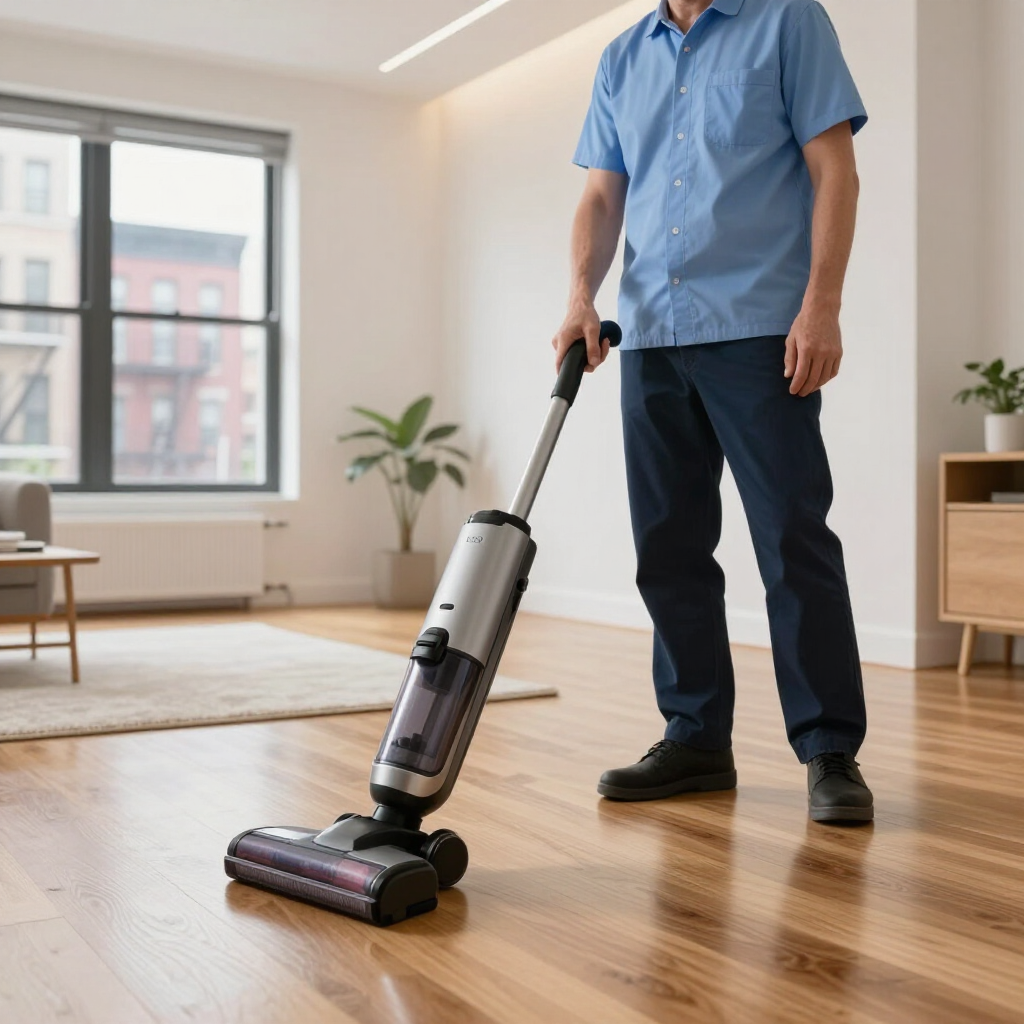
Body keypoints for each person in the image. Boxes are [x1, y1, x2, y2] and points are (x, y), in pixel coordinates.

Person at [553, 0, 873, 824]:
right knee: (668, 545)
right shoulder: (623, 57)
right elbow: (600, 193)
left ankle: (829, 748)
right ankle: (695, 737)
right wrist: (580, 296)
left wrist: (823, 307)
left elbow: (833, 169)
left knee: (793, 538)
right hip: (652, 332)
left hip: (763, 329)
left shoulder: (787, 21)